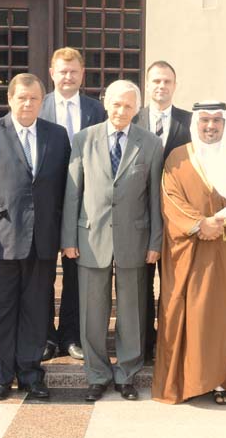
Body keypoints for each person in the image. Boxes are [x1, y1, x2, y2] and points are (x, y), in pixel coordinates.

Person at [0, 73, 71, 401]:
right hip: (0, 237)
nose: (27, 104)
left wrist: (64, 234)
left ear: (42, 101)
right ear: (10, 99)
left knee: (36, 311)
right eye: (21, 98)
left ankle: (30, 373)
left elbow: (66, 189)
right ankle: (1, 376)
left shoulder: (57, 135)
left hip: (43, 239)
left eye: (34, 98)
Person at [152, 101, 226, 405]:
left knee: (225, 315)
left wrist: (221, 220)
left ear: (225, 124)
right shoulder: (178, 157)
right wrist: (199, 224)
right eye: (205, 120)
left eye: (217, 120)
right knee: (191, 314)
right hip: (191, 250)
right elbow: (170, 198)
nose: (211, 126)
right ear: (196, 123)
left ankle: (221, 381)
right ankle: (189, 379)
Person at [61, 79, 163, 403]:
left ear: (137, 109)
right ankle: (97, 375)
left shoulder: (150, 144)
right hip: (91, 237)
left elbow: (155, 198)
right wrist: (68, 237)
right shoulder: (83, 139)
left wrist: (156, 242)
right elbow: (73, 191)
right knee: (92, 312)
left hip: (135, 237)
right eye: (116, 104)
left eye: (128, 106)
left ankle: (126, 374)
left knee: (132, 312)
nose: (121, 111)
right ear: (106, 104)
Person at [40, 47, 107, 362]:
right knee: (42, 275)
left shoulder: (97, 110)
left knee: (75, 273)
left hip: (83, 205)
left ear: (82, 75)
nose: (68, 77)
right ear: (52, 73)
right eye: (62, 71)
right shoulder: (38, 105)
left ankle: (71, 335)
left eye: (73, 71)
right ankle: (44, 336)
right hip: (44, 204)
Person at [133, 60, 191, 360]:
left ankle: (169, 345)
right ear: (147, 84)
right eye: (156, 81)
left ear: (175, 85)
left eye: (167, 81)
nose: (161, 86)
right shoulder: (133, 119)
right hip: (139, 217)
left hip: (177, 218)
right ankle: (143, 344)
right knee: (140, 285)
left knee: (173, 284)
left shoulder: (190, 122)